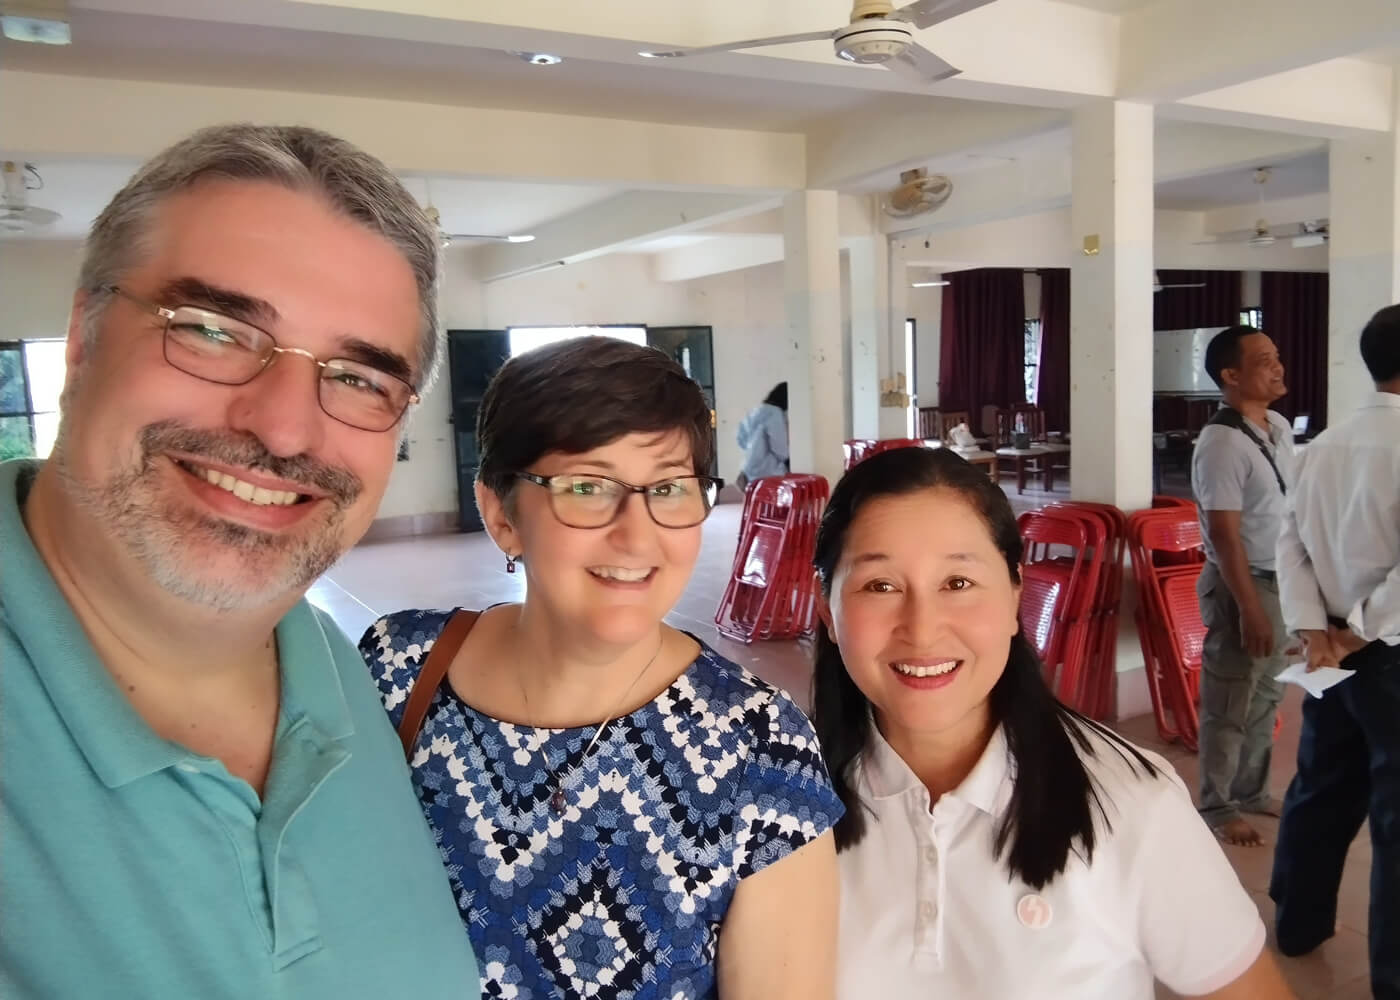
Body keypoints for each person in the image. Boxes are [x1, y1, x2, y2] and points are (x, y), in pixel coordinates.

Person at [0, 125, 479, 996]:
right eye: (215, 331)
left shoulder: (337, 670)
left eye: (359, 378)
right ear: (82, 338)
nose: (285, 429)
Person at [359, 337, 841, 1000]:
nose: (636, 535)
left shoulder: (762, 748)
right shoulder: (397, 669)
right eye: (587, 487)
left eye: (668, 488)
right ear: (501, 515)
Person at [811, 446, 1294, 999]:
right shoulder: (774, 799)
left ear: (1016, 593)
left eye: (958, 583)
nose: (922, 630)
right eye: (880, 586)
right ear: (827, 609)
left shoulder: (1133, 803)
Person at [1272, 303, 1400, 997]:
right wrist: (1358, 629)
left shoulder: (1322, 445)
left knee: (1322, 787)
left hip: (1332, 655)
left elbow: (1289, 543)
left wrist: (1314, 629)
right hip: (1385, 650)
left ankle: (1297, 923)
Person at [1190, 324, 1296, 847]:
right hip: (1243, 583)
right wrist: (1250, 608)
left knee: (1267, 693)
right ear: (1230, 376)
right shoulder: (1222, 442)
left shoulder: (1277, 426)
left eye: (1276, 356)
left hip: (1281, 579)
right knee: (1230, 698)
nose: (1277, 367)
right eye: (1263, 360)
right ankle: (1217, 803)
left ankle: (1251, 792)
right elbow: (1224, 535)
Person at [735, 381, 789, 489]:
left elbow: (740, 439)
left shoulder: (755, 411)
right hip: (769, 472)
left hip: (748, 470)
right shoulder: (775, 413)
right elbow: (780, 449)